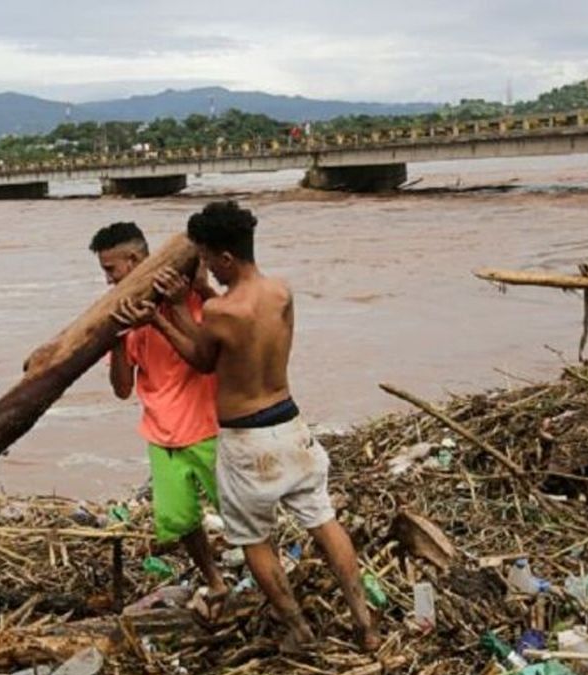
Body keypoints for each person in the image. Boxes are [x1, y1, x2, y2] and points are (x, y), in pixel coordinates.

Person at [112, 202, 380, 652]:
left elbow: (201, 357)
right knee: (324, 521)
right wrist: (197, 297)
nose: (206, 270)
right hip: (291, 424)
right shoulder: (280, 292)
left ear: (226, 259)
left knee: (255, 538)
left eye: (207, 260)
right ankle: (364, 622)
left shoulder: (220, 312)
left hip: (247, 439)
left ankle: (297, 629)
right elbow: (245, 334)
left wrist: (168, 311)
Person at [89, 222, 229, 611]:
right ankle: (216, 581)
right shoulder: (126, 314)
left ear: (134, 261)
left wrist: (188, 297)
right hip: (161, 433)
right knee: (181, 521)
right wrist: (115, 339)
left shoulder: (187, 295)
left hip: (208, 427)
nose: (107, 280)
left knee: (239, 514)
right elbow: (121, 389)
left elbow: (210, 354)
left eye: (110, 269)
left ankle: (267, 579)